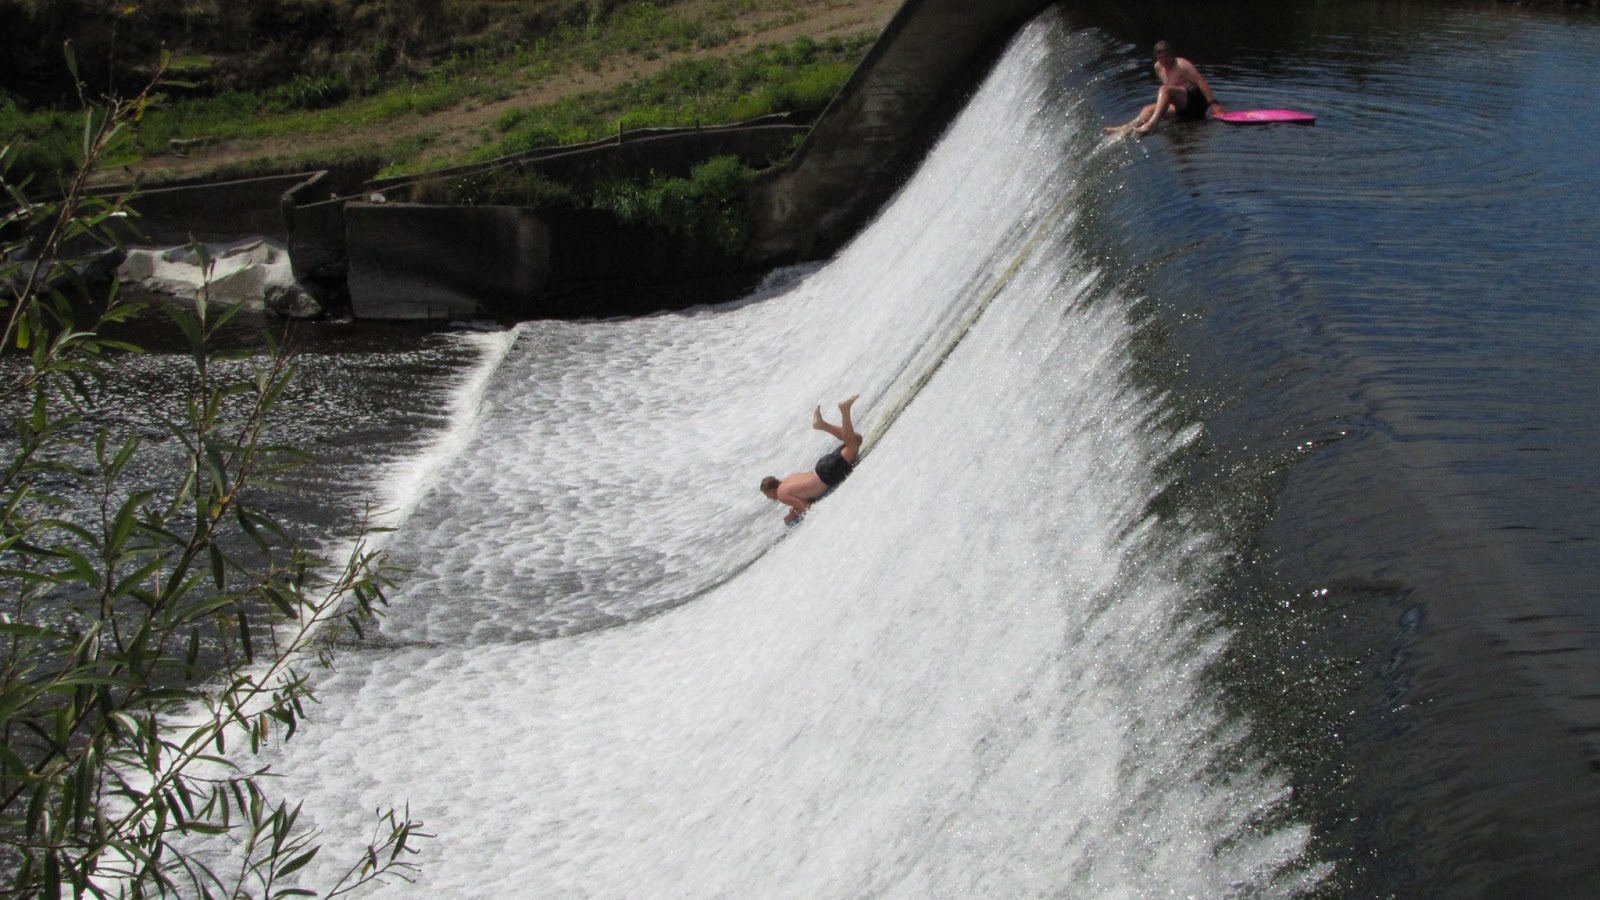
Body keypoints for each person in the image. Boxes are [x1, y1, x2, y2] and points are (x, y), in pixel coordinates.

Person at [760, 395, 862, 524]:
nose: (769, 498)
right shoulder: (786, 480)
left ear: (771, 491)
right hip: (821, 467)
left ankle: (844, 411)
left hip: (827, 475)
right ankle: (822, 425)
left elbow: (806, 507)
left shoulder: (781, 494)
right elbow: (806, 492)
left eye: (767, 495)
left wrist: (791, 517)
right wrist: (797, 507)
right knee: (856, 439)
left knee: (852, 445)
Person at [1104, 40, 1226, 136]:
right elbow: (1170, 94)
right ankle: (1127, 128)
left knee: (1165, 89)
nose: (1164, 61)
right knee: (1148, 109)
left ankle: (1152, 124)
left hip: (1196, 104)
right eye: (1160, 58)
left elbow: (1201, 81)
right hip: (1182, 108)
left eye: (1166, 57)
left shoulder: (1182, 65)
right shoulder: (1158, 67)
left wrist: (1213, 104)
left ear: (1172, 55)